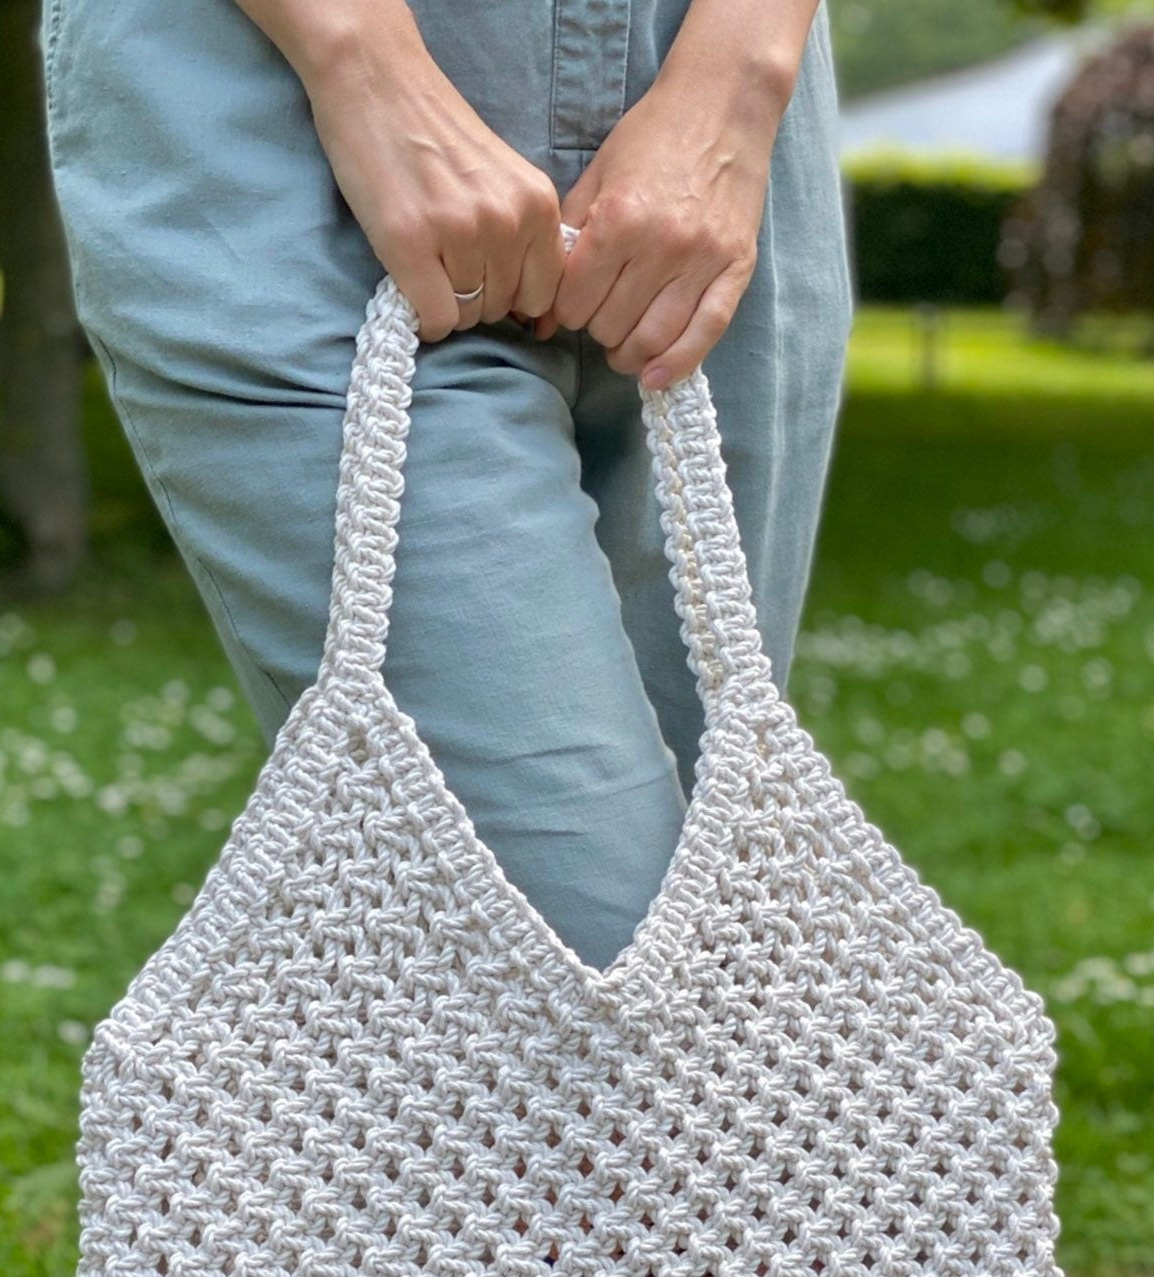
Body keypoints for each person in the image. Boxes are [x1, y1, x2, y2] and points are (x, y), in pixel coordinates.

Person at [41, 0, 853, 971]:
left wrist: (736, 80)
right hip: (299, 96)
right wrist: (360, 59)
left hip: (723, 104)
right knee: (598, 960)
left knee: (706, 925)